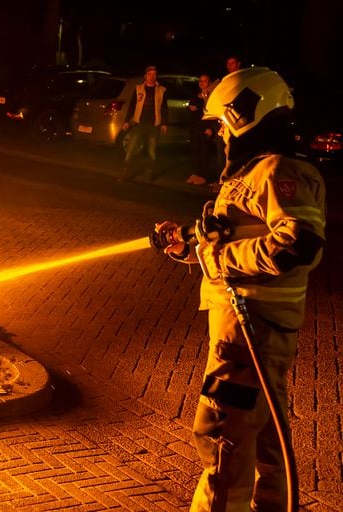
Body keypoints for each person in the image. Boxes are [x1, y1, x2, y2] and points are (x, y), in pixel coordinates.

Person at [154, 68, 326, 511]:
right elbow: (234, 239)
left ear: (246, 113)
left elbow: (297, 246)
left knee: (222, 435)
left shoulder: (278, 171)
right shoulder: (255, 172)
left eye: (224, 124)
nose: (222, 135)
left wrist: (216, 258)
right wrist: (187, 248)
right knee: (263, 436)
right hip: (249, 328)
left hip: (252, 330)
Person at [118, 65, 168, 182]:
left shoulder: (161, 90)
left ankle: (148, 174)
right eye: (149, 74)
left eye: (154, 74)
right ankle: (125, 173)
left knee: (151, 152)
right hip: (139, 124)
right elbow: (132, 105)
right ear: (145, 76)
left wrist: (165, 123)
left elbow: (165, 108)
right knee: (131, 149)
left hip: (154, 126)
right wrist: (126, 120)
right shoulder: (138, 89)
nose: (152, 77)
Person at [186, 73, 218, 186]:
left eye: (204, 81)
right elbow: (191, 107)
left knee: (204, 151)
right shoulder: (197, 95)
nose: (201, 83)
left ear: (209, 82)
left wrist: (210, 128)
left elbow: (213, 112)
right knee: (194, 150)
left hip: (205, 127)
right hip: (195, 127)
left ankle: (203, 175)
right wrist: (190, 108)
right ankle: (195, 173)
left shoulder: (212, 95)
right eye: (200, 81)